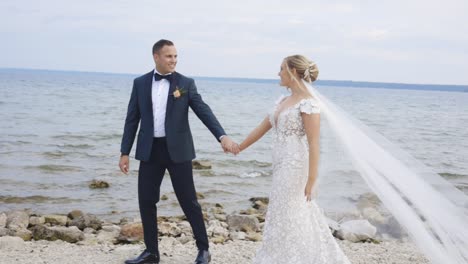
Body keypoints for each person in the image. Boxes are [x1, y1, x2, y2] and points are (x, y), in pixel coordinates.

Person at [119, 39, 237, 264]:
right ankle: (151, 253)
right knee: (146, 201)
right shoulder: (140, 83)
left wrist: (222, 136)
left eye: (175, 56)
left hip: (179, 151)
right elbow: (132, 119)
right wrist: (124, 151)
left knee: (189, 201)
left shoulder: (185, 83)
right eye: (168, 56)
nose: (173, 60)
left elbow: (203, 111)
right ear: (156, 57)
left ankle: (203, 250)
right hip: (150, 151)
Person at [236, 55, 350, 263]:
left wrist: (312, 180)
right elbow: (262, 128)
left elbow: (314, 144)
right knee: (282, 213)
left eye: (281, 69)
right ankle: (281, 254)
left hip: (295, 166)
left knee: (290, 213)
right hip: (280, 165)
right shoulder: (282, 101)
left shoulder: (309, 105)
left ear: (293, 72)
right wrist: (238, 148)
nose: (278, 73)